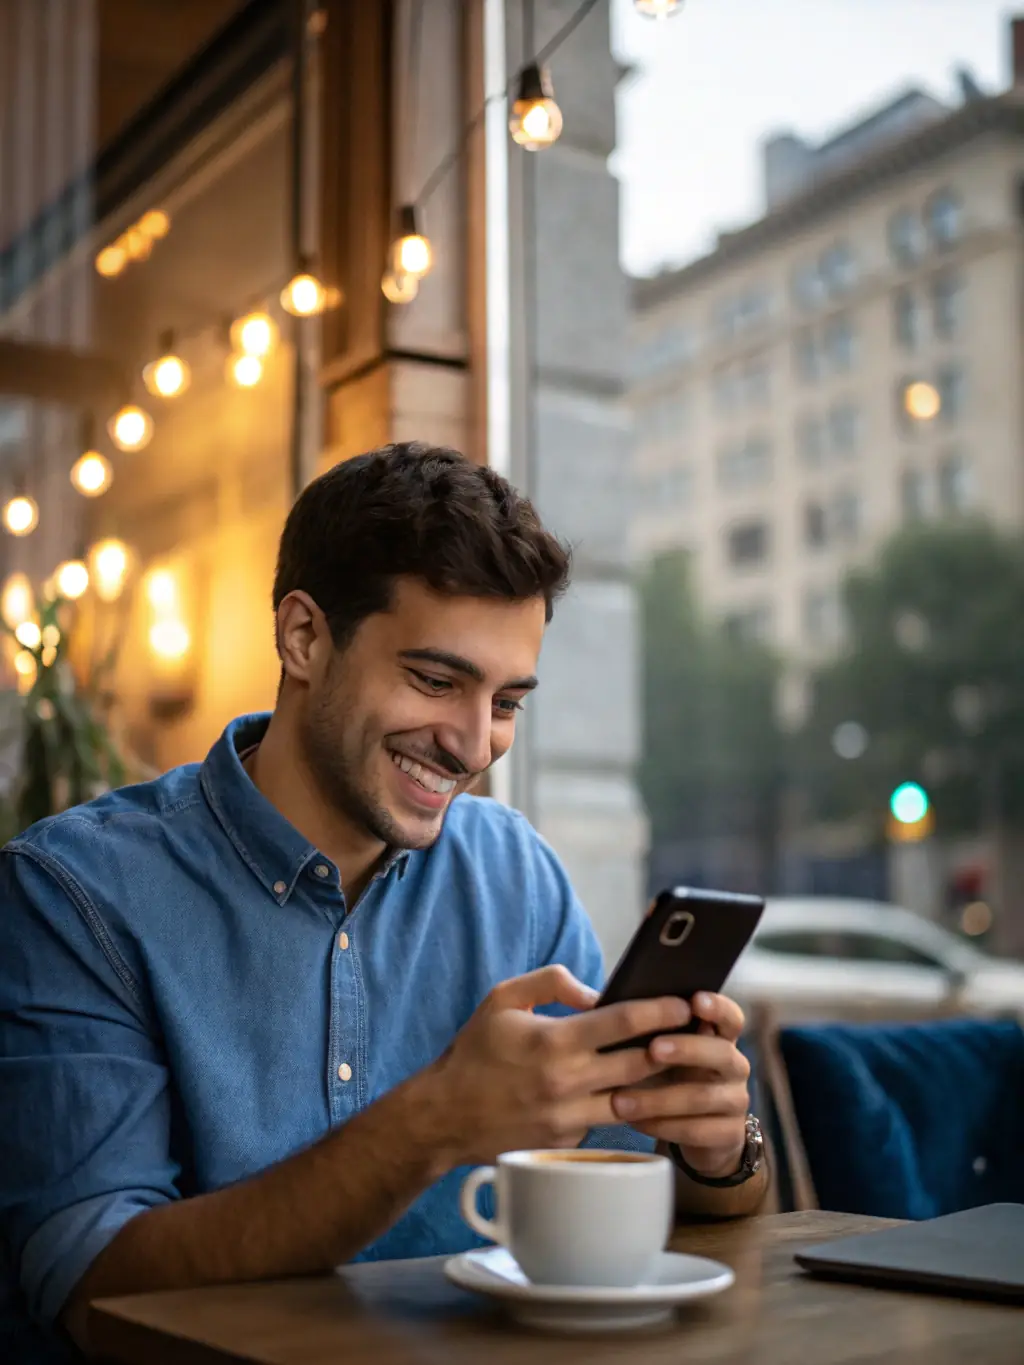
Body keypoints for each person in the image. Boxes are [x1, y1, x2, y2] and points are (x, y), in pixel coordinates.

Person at [0, 444, 767, 1361]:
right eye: (436, 681)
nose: (474, 744)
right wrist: (433, 1120)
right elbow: (95, 1292)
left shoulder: (517, 875)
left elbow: (631, 1193)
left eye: (508, 701)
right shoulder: (72, 893)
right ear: (304, 639)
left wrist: (719, 1151)